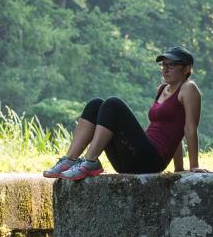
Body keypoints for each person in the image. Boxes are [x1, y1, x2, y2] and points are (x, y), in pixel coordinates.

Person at [43, 48, 205, 181]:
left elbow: (189, 128)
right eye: (163, 65)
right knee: (96, 104)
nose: (165, 69)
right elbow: (173, 130)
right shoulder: (162, 89)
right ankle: (70, 159)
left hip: (150, 160)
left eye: (172, 65)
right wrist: (178, 168)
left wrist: (193, 167)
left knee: (113, 104)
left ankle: (90, 161)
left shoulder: (188, 88)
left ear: (186, 68)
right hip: (130, 160)